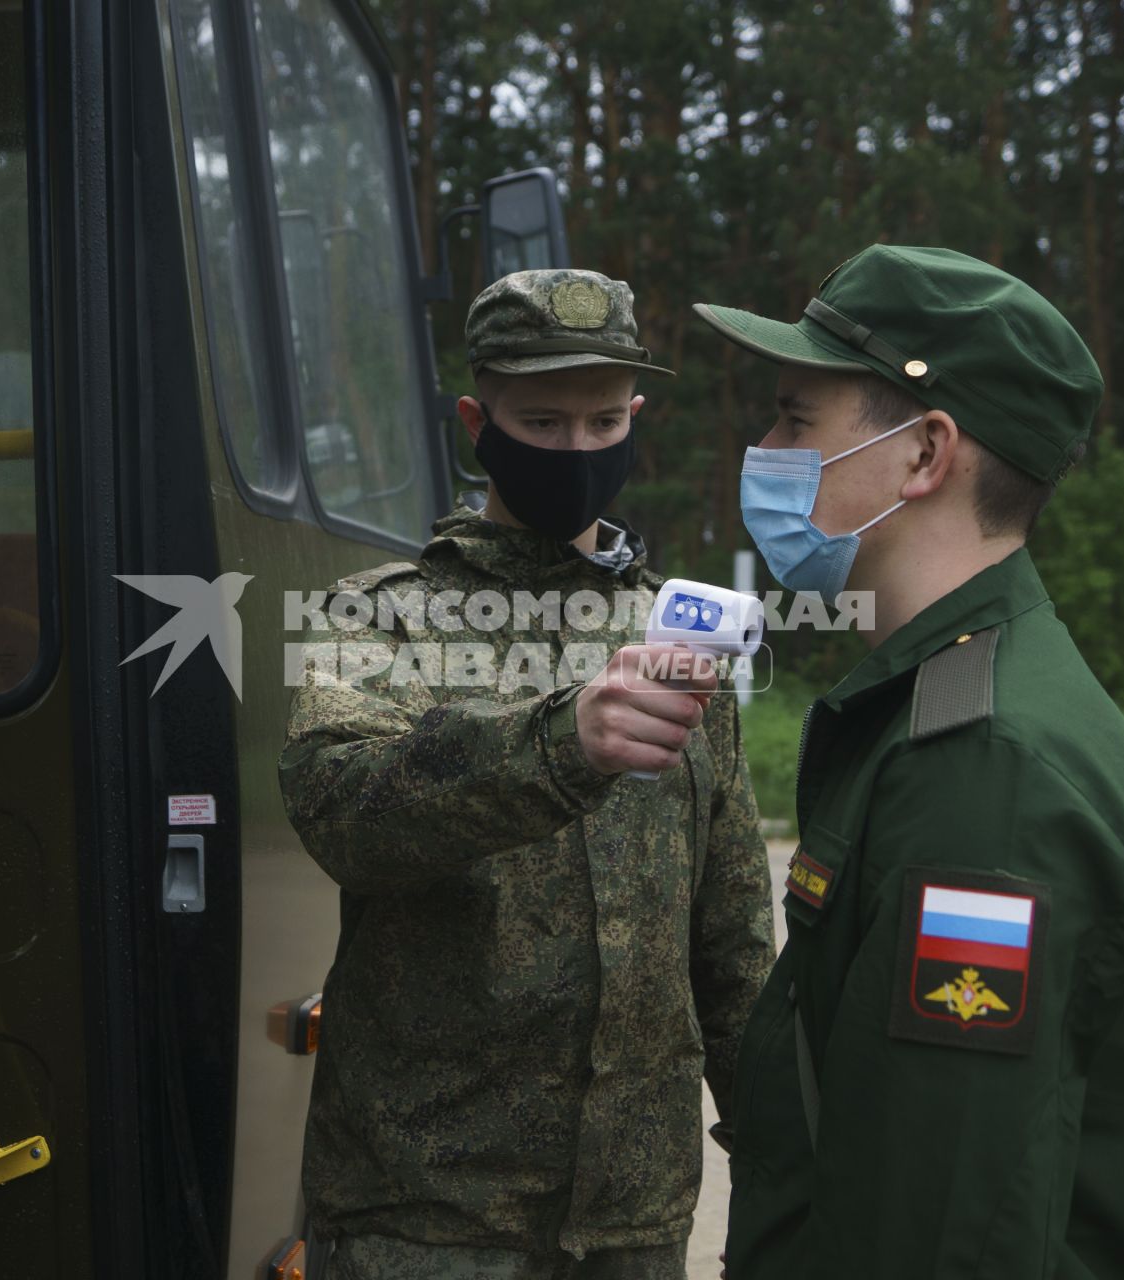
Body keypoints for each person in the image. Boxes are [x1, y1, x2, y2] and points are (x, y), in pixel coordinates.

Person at [694, 245, 1124, 1278]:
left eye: (796, 420)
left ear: (926, 452)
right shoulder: (957, 701)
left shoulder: (985, 770)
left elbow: (936, 1231)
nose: (760, 448)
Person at [280, 268, 773, 1280]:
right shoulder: (378, 617)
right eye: (542, 420)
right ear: (478, 420)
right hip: (427, 1217)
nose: (578, 449)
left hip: (634, 1217)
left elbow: (729, 936)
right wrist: (555, 745)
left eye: (603, 420)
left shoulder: (676, 638)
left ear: (636, 417)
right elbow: (343, 810)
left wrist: (780, 1158)